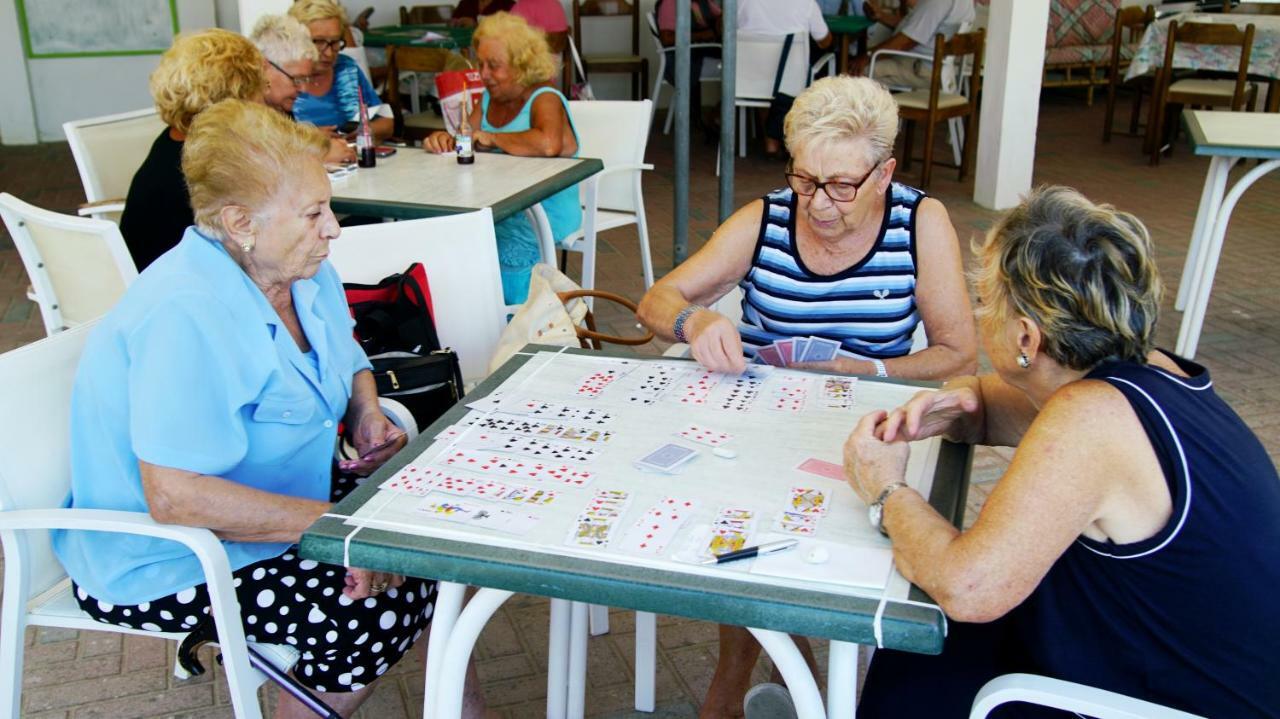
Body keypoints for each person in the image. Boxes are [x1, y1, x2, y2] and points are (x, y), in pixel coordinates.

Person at [51, 99, 434, 717]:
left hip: (284, 504)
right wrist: (341, 532)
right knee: (377, 602)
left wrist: (365, 410)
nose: (332, 227)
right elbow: (175, 499)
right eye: (313, 212)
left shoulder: (303, 271)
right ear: (240, 222)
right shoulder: (185, 311)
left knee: (444, 535)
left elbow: (350, 358)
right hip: (161, 554)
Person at [846, 186, 1280, 717]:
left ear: (1027, 338)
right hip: (1170, 657)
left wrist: (885, 488)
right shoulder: (1148, 372)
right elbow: (997, 404)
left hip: (1167, 700)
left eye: (988, 302)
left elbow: (970, 587)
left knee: (936, 622)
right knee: (923, 642)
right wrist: (963, 408)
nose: (982, 314)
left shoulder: (1091, 416)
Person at [637, 76, 975, 719]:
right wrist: (696, 323)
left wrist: (868, 369)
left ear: (885, 172)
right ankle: (746, 683)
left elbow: (957, 356)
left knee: (844, 540)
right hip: (757, 428)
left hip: (867, 427)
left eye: (842, 185)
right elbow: (660, 299)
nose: (819, 203)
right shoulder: (765, 217)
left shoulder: (920, 221)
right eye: (805, 179)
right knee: (743, 517)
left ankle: (796, 679)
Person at [424, 12, 582, 306]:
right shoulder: (486, 99)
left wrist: (492, 137)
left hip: (546, 212)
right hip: (501, 205)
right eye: (480, 63)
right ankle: (473, 317)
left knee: (500, 243)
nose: (483, 74)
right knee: (449, 235)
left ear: (522, 66)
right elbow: (468, 137)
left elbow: (548, 144)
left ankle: (520, 322)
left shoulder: (544, 97)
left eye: (494, 66)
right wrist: (445, 140)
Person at [118, 29, 264, 273]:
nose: (264, 97)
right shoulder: (209, 166)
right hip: (188, 293)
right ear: (236, 96)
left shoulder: (174, 142)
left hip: (159, 284)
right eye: (259, 86)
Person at [251, 14, 356, 165]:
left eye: (306, 79)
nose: (304, 89)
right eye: (297, 79)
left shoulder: (280, 109)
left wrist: (310, 140)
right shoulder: (243, 114)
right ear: (265, 67)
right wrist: (317, 158)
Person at [737, 0, 832, 157]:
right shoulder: (805, 3)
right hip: (791, 84)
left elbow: (724, 29)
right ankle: (789, 140)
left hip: (748, 81)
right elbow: (824, 40)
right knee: (784, 75)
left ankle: (770, 141)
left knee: (764, 73)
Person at [289, 0, 393, 143]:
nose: (330, 53)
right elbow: (263, 136)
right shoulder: (282, 77)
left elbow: (386, 123)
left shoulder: (346, 68)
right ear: (296, 39)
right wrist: (311, 137)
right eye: (318, 42)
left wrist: (366, 130)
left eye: (335, 42)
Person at [854, 0, 975, 89]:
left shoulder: (938, 2)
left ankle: (858, 122)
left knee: (852, 73)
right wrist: (881, 16)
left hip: (920, 69)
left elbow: (907, 41)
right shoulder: (965, 3)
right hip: (935, 68)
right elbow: (915, 27)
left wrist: (867, 56)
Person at [656, 0, 723, 137]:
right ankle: (719, 114)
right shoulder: (670, 3)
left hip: (702, 52)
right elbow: (667, 38)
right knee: (739, 65)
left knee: (743, 58)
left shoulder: (703, 3)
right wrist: (702, 36)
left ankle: (719, 113)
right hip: (681, 56)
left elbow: (722, 17)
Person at [451, 0, 517, 27]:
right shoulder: (466, 2)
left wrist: (476, 24)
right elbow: (452, 21)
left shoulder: (508, 5)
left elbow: (510, 30)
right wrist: (457, 22)